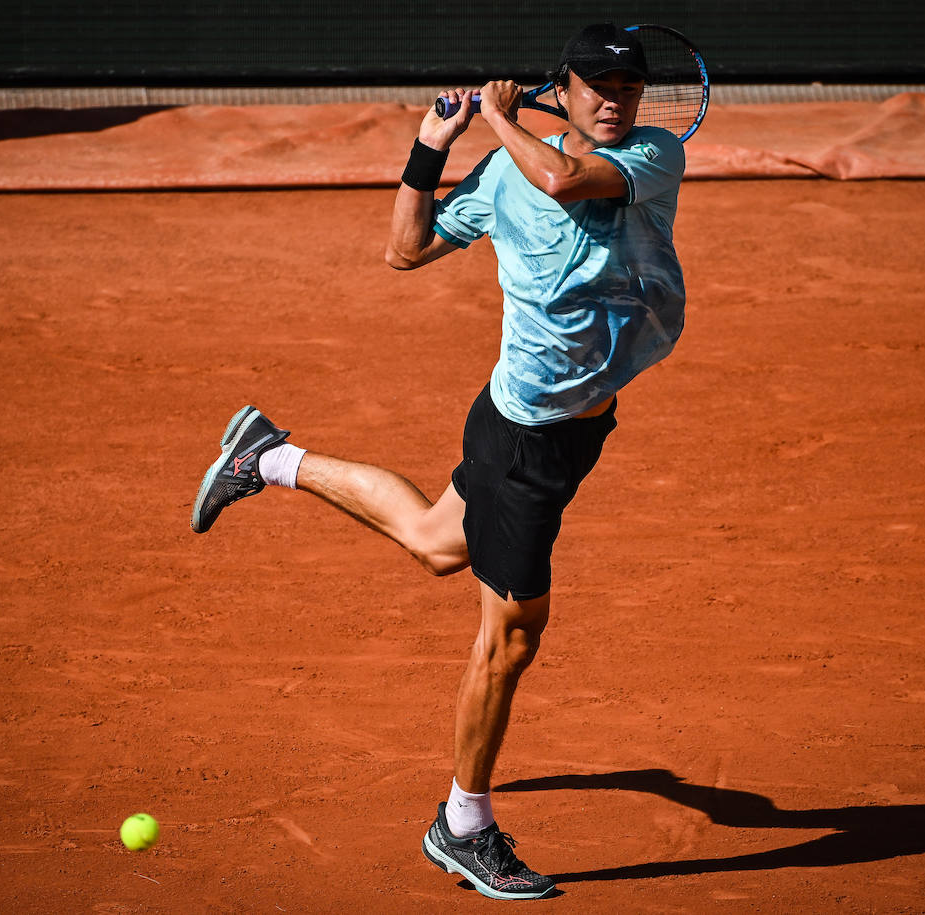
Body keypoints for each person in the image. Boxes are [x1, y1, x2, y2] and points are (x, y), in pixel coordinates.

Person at [190, 22, 687, 901]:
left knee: (433, 538)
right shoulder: (505, 171)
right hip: (522, 436)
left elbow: (564, 176)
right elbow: (405, 248)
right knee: (514, 631)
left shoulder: (650, 155)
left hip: (577, 432)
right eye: (597, 84)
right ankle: (463, 824)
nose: (616, 99)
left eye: (629, 85)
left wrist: (499, 120)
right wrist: (429, 150)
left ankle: (268, 457)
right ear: (562, 88)